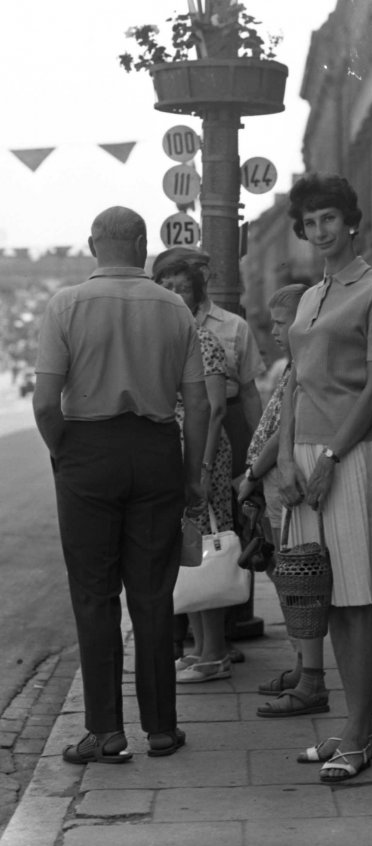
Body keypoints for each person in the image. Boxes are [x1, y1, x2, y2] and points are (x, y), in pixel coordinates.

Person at [32, 206, 209, 762]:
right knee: (154, 595)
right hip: (156, 450)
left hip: (87, 451)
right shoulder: (175, 307)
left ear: (92, 245)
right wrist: (192, 475)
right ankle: (160, 727)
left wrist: (66, 452)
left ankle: (106, 730)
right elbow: (199, 403)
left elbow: (43, 402)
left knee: (94, 594)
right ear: (140, 245)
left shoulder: (65, 305)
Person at [278, 173, 372, 782]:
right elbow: (294, 383)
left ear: (350, 221)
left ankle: (356, 729)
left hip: (352, 455)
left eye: (329, 218)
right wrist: (282, 459)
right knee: (322, 598)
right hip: (302, 457)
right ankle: (364, 727)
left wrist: (328, 459)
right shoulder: (309, 296)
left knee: (354, 599)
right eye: (310, 222)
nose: (319, 230)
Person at [238, 283, 328, 716]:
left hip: (280, 483)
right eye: (272, 321)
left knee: (294, 580)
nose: (274, 330)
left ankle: (310, 675)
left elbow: (280, 434)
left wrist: (252, 473)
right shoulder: (292, 364)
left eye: (281, 321)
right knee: (287, 581)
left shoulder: (304, 366)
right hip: (272, 485)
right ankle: (300, 665)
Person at [153, 256, 234, 683]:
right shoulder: (174, 340)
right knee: (193, 553)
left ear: (196, 295)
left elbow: (216, 408)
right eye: (166, 286)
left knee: (209, 551)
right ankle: (201, 648)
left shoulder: (203, 340)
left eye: (182, 287)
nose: (174, 295)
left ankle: (216, 652)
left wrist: (201, 468)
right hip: (182, 454)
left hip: (202, 455)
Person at [152, 246, 265, 474]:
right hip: (169, 428)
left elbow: (249, 392)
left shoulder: (234, 326)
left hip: (228, 426)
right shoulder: (152, 329)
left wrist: (259, 448)